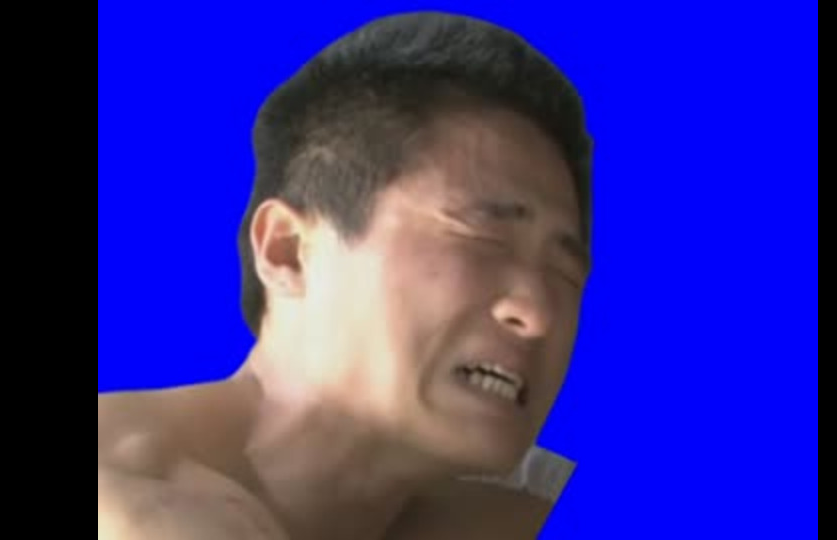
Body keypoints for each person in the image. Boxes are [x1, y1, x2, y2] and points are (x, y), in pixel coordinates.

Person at [98, 11, 593, 540]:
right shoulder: (127, 505)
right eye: (483, 238)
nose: (539, 313)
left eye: (566, 271)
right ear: (288, 251)